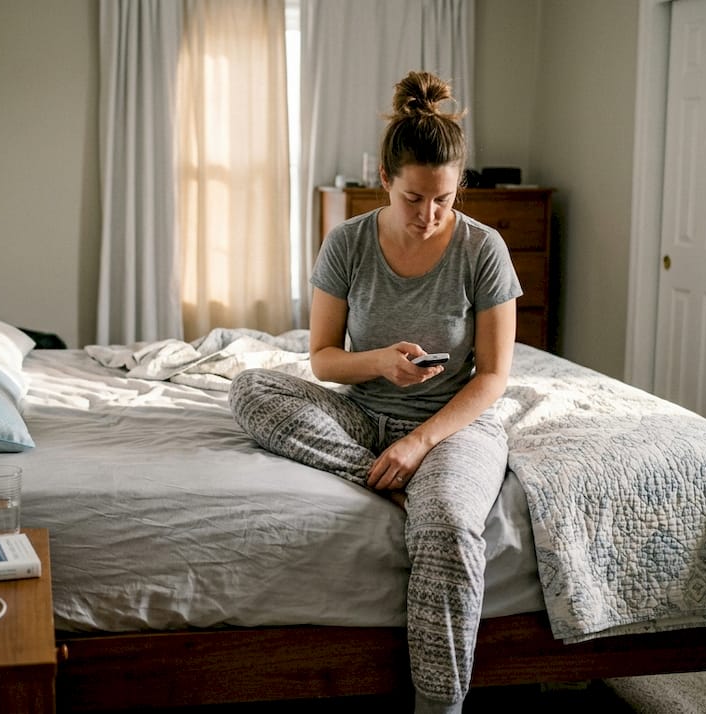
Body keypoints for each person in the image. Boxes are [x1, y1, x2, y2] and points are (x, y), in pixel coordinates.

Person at [228, 70, 521, 713]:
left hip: (452, 424)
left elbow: (495, 377)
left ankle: (438, 705)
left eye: (443, 198)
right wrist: (380, 364)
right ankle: (376, 474)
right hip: (361, 414)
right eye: (415, 197)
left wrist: (419, 443)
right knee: (251, 389)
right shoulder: (348, 243)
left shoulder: (484, 249)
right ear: (385, 181)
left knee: (445, 526)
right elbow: (323, 361)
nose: (429, 214)